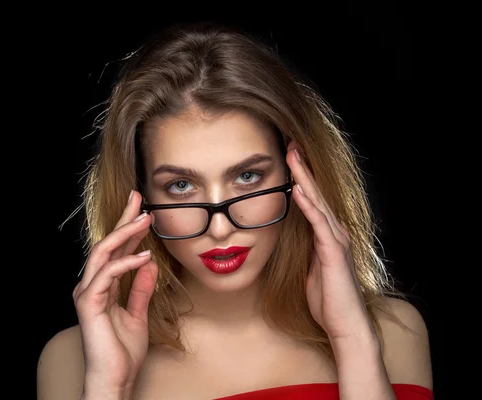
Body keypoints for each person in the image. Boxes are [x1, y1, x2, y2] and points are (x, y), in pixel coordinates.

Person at [37, 22, 433, 400]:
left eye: (247, 176)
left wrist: (352, 341)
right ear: (139, 197)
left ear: (300, 174)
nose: (221, 227)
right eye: (180, 185)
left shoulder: (392, 332)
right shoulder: (73, 359)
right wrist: (110, 389)